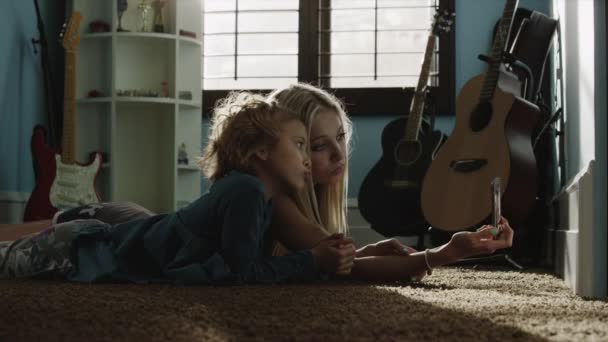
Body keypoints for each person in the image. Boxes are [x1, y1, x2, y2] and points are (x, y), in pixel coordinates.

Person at [0, 92, 355, 284]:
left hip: (101, 240)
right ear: (262, 150)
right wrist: (312, 260)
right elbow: (240, 274)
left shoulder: (253, 196)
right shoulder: (246, 191)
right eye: (299, 145)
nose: (307, 159)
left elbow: (244, 265)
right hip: (84, 248)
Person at [266, 83, 515, 281]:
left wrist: (370, 251)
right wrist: (444, 253)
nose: (339, 153)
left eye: (340, 137)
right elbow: (347, 270)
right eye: (319, 145)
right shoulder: (275, 200)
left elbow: (334, 261)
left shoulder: (297, 199)